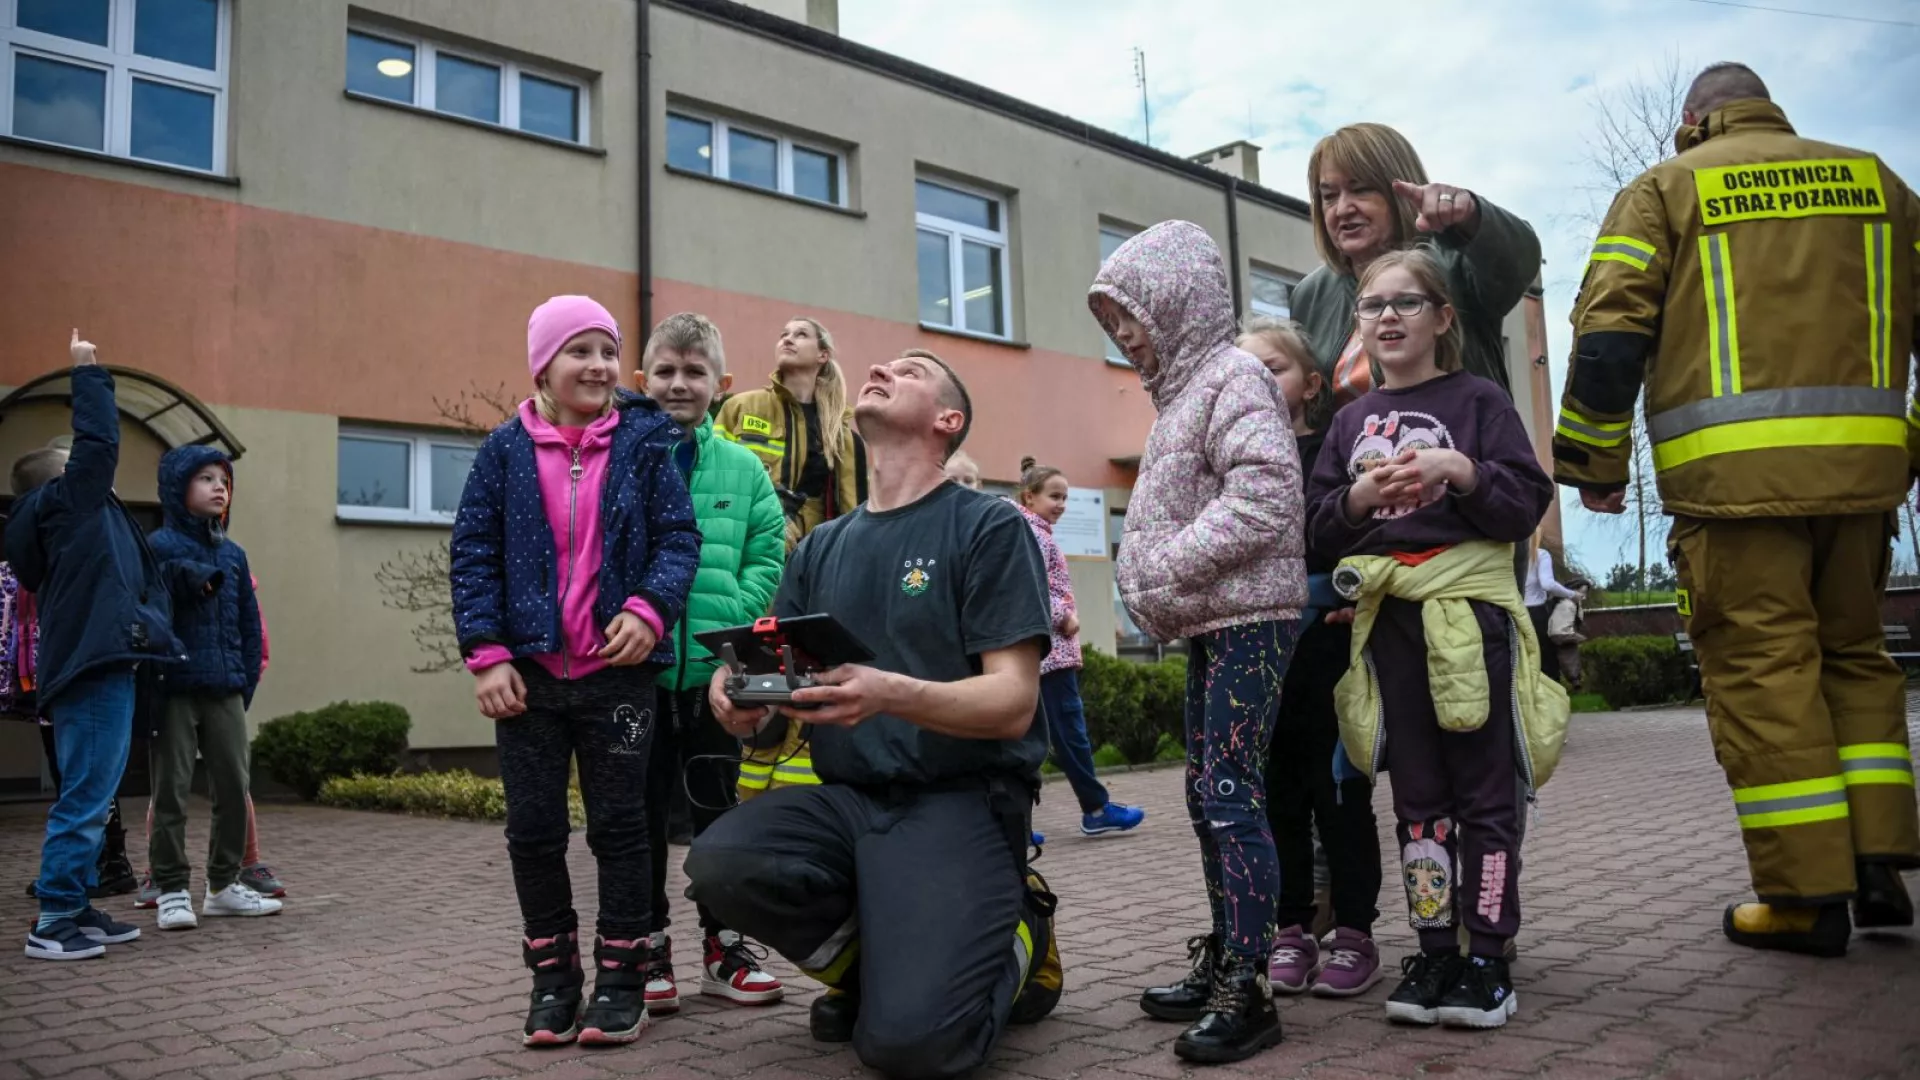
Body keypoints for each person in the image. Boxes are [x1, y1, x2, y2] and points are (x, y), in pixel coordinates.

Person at [1552, 62, 1920, 955]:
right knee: (1854, 659)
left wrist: (1594, 462)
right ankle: (1877, 863)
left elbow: (1610, 331)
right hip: (1863, 488)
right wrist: (1907, 446)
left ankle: (1804, 897)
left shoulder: (1665, 190)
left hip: (1730, 494)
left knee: (1765, 675)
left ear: (1692, 119)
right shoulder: (1879, 184)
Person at [684, 348, 1063, 1080]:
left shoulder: (989, 527)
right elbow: (778, 682)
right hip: (850, 800)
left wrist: (892, 692)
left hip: (960, 799)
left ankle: (1024, 935)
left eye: (912, 370)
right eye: (882, 366)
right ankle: (871, 976)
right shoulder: (823, 546)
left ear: (947, 420)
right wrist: (740, 699)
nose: (884, 371)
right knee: (723, 864)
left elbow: (1014, 704)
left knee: (914, 1048)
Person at [1305, 249, 1566, 1030]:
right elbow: (1317, 531)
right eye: (1372, 305)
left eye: (1407, 302)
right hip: (1392, 630)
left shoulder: (1479, 401)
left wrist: (1462, 470)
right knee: (1417, 798)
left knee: (1483, 794)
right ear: (1358, 327)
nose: (1387, 316)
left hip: (1471, 622)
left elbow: (1525, 502)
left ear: (1443, 317)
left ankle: (1487, 954)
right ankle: (1433, 949)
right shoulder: (1348, 423)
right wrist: (1356, 497)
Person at [449, 295, 701, 1046]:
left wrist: (650, 610)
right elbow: (472, 555)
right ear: (543, 364)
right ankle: (553, 981)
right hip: (527, 680)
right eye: (579, 351)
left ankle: (622, 981)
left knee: (622, 828)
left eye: (608, 351)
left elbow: (678, 538)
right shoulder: (503, 452)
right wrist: (487, 655)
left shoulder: (643, 444)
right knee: (533, 830)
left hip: (618, 676)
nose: (598, 366)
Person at [1091, 221, 1304, 1064]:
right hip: (1215, 621)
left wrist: (1167, 567)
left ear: (1176, 303)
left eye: (1130, 314)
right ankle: (1227, 953)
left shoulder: (1233, 377)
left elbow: (1266, 495)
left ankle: (1249, 986)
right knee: (1204, 794)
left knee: (1230, 795)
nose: (1123, 333)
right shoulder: (1184, 395)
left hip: (1251, 618)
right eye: (1111, 321)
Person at [631, 312, 788, 1013]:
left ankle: (724, 948)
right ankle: (647, 945)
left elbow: (766, 553)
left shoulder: (744, 469)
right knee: (637, 819)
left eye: (695, 372)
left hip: (714, 679)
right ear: (642, 379)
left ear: (722, 384)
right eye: (665, 371)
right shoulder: (623, 460)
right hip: (637, 674)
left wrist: (732, 633)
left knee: (718, 815)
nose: (678, 384)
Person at [7, 331, 176, 961]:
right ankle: (54, 918)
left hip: (100, 661)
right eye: (74, 463)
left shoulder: (71, 524)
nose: (94, 473)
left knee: (94, 793)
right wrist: (87, 370)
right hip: (94, 667)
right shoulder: (67, 505)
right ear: (59, 479)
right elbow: (100, 443)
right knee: (85, 796)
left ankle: (75, 905)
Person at [1239, 315, 1385, 999]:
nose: (1258, 382)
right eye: (1245, 371)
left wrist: (1364, 596)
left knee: (1340, 793)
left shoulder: (1336, 448)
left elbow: (1370, 532)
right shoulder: (1233, 461)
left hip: (1328, 640)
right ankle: (1290, 929)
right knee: (1278, 796)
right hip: (1259, 647)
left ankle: (1354, 932)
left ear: (1313, 384)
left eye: (1272, 368)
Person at [1289, 122, 1542, 406]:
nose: (1343, 209)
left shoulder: (1456, 261)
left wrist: (1472, 214)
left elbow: (1520, 260)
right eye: (1329, 196)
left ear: (1401, 191)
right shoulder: (1310, 295)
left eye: (1361, 190)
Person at [145, 445, 277, 929]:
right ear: (178, 487)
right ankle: (171, 890)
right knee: (171, 791)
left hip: (225, 689)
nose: (219, 487)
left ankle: (222, 885)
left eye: (224, 480)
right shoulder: (156, 548)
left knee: (234, 788)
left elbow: (249, 627)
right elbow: (149, 618)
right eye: (205, 478)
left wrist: (243, 684)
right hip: (175, 689)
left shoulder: (234, 556)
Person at [1013, 456, 1146, 838]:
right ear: (1029, 496)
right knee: (1070, 733)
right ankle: (1096, 810)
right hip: (1051, 655)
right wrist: (1064, 617)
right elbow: (1028, 584)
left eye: (1065, 498)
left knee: (1028, 739)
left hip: (1043, 654)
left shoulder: (1033, 532)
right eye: (1054, 496)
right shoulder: (1033, 535)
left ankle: (1017, 823)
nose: (1061, 505)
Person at [717, 317, 865, 549]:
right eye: (784, 334)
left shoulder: (841, 436)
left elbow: (853, 516)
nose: (788, 339)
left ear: (822, 355)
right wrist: (769, 516)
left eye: (801, 334)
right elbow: (714, 475)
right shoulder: (740, 407)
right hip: (743, 544)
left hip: (808, 556)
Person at [1523, 538, 1579, 682]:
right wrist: (1572, 594)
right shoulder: (1539, 554)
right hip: (1536, 614)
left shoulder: (1504, 555)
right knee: (1546, 663)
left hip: (1509, 613)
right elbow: (1548, 584)